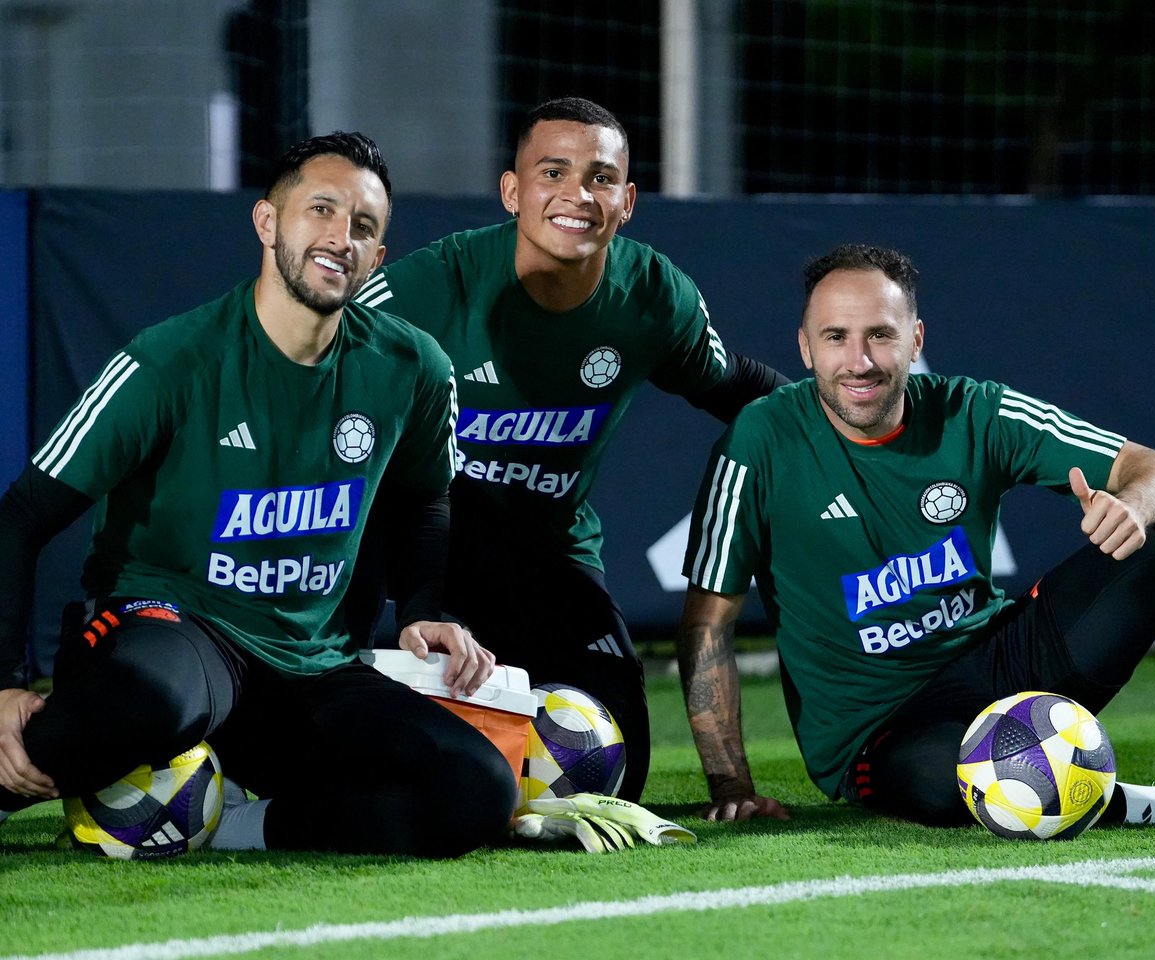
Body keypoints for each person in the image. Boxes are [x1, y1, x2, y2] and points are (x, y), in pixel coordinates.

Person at [0, 132, 516, 856]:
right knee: (154, 701)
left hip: (309, 662)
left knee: (478, 790)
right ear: (269, 223)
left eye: (364, 227)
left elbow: (425, 498)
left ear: (378, 259)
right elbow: (19, 518)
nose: (341, 237)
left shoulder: (413, 367)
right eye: (322, 210)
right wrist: (3, 686)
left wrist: (423, 611)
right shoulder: (170, 359)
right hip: (175, 626)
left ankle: (239, 826)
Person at [352, 97, 788, 802]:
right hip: (423, 554)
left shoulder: (652, 298)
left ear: (627, 201)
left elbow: (730, 383)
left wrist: (845, 430)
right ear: (512, 190)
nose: (576, 195)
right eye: (552, 171)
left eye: (600, 177)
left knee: (612, 772)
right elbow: (309, 375)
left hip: (549, 556)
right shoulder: (434, 286)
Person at [677, 242, 1155, 828]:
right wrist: (730, 783)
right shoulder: (760, 440)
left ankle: (1059, 771)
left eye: (880, 334)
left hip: (1004, 657)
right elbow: (708, 623)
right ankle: (1153, 802)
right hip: (883, 728)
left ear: (916, 339)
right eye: (835, 337)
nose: (859, 360)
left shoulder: (972, 411)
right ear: (804, 347)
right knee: (944, 789)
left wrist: (1131, 505)